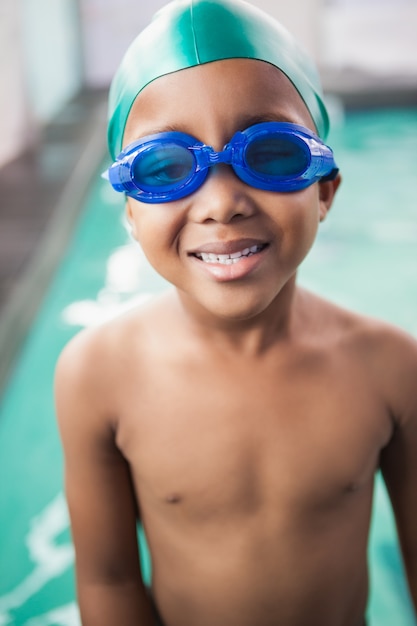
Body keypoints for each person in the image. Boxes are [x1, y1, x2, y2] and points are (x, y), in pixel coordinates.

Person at [54, 0, 417, 625]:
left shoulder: (390, 368)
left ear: (324, 188)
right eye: (164, 168)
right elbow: (109, 580)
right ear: (132, 213)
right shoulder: (97, 376)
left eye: (272, 155)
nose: (221, 203)